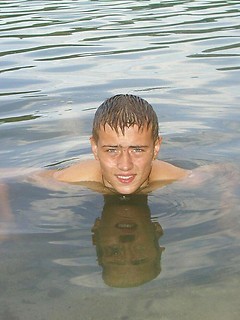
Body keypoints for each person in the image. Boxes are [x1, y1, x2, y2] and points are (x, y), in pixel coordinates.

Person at [35, 94, 190, 195]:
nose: (125, 165)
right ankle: (68, 120)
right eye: (111, 150)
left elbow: (213, 172)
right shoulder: (70, 178)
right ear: (95, 149)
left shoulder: (176, 177)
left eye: (137, 150)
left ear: (156, 148)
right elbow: (14, 176)